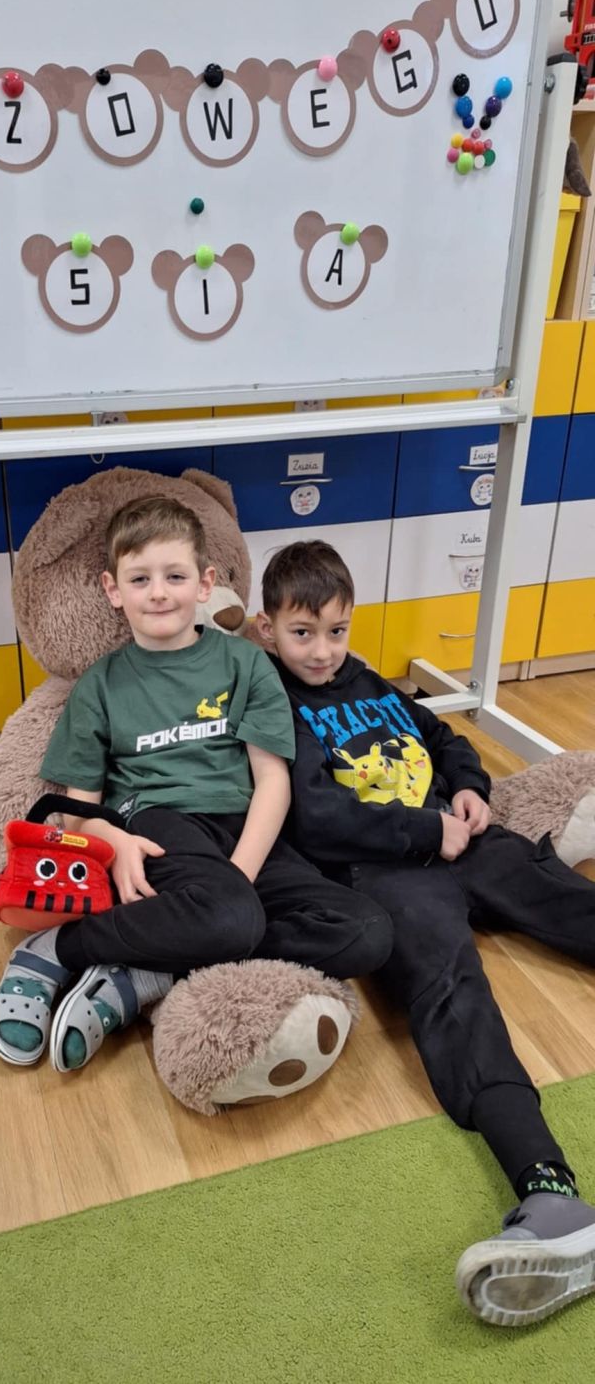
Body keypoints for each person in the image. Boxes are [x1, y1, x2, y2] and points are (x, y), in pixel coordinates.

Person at [256, 538, 595, 1330]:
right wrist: (421, 832)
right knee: (452, 994)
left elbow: (442, 739)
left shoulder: (370, 681)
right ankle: (552, 1194)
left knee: (564, 899)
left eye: (335, 630)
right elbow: (313, 816)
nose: (322, 650)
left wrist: (471, 789)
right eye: (302, 633)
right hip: (385, 872)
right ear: (267, 629)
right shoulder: (271, 702)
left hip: (463, 836)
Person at [0, 497, 391, 1078]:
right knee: (233, 916)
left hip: (245, 834)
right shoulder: (99, 686)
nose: (158, 593)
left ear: (204, 583)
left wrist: (239, 877)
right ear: (112, 589)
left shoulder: (246, 664)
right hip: (158, 827)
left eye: (175, 576)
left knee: (368, 933)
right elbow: (76, 812)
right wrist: (113, 841)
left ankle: (152, 967)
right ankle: (58, 949)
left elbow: (272, 781)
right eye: (140, 579)